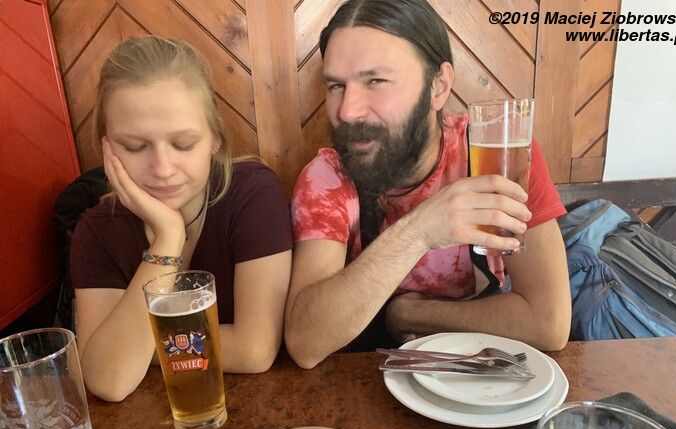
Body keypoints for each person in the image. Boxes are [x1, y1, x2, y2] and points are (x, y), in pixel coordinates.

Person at [285, 0, 571, 369]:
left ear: (438, 86)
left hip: (486, 378)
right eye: (336, 85)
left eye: (375, 81)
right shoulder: (328, 177)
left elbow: (549, 324)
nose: (347, 111)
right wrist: (419, 231)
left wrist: (410, 314)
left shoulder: (500, 154)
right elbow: (305, 343)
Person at [70, 36, 292, 401]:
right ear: (106, 146)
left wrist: (136, 349)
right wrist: (168, 239)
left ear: (215, 139)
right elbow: (109, 380)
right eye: (135, 146)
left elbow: (254, 350)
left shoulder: (252, 193)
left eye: (184, 144)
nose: (162, 169)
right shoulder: (97, 230)